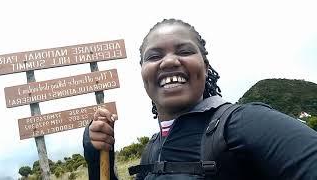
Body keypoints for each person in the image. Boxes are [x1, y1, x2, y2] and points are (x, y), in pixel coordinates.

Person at [83, 19, 317, 180]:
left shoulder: (244, 124)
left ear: (205, 68)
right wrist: (95, 155)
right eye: (154, 56)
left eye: (184, 51)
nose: (169, 61)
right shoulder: (152, 149)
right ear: (143, 71)